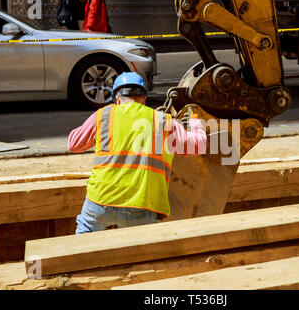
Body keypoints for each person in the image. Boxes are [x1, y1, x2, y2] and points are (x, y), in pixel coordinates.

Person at [68, 72, 207, 234]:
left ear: (117, 98)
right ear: (144, 99)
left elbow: (73, 144)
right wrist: (197, 121)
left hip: (99, 201)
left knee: (82, 244)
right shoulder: (162, 121)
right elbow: (199, 145)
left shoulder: (104, 115)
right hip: (141, 205)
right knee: (140, 254)